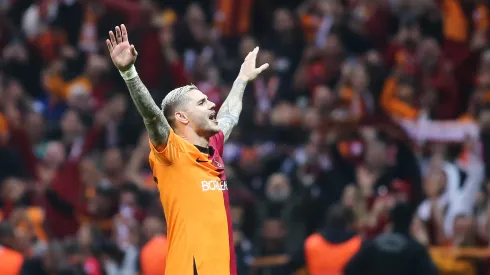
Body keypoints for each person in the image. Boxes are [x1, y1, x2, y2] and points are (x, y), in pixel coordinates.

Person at [105, 24, 269, 275]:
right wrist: (129, 73)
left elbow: (230, 115)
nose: (212, 103)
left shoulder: (213, 147)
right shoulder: (171, 151)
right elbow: (152, 117)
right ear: (181, 117)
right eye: (202, 102)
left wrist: (241, 80)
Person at [343, 203, 438, 275]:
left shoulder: (371, 246)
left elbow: (348, 269)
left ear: (390, 222)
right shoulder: (416, 250)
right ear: (410, 223)